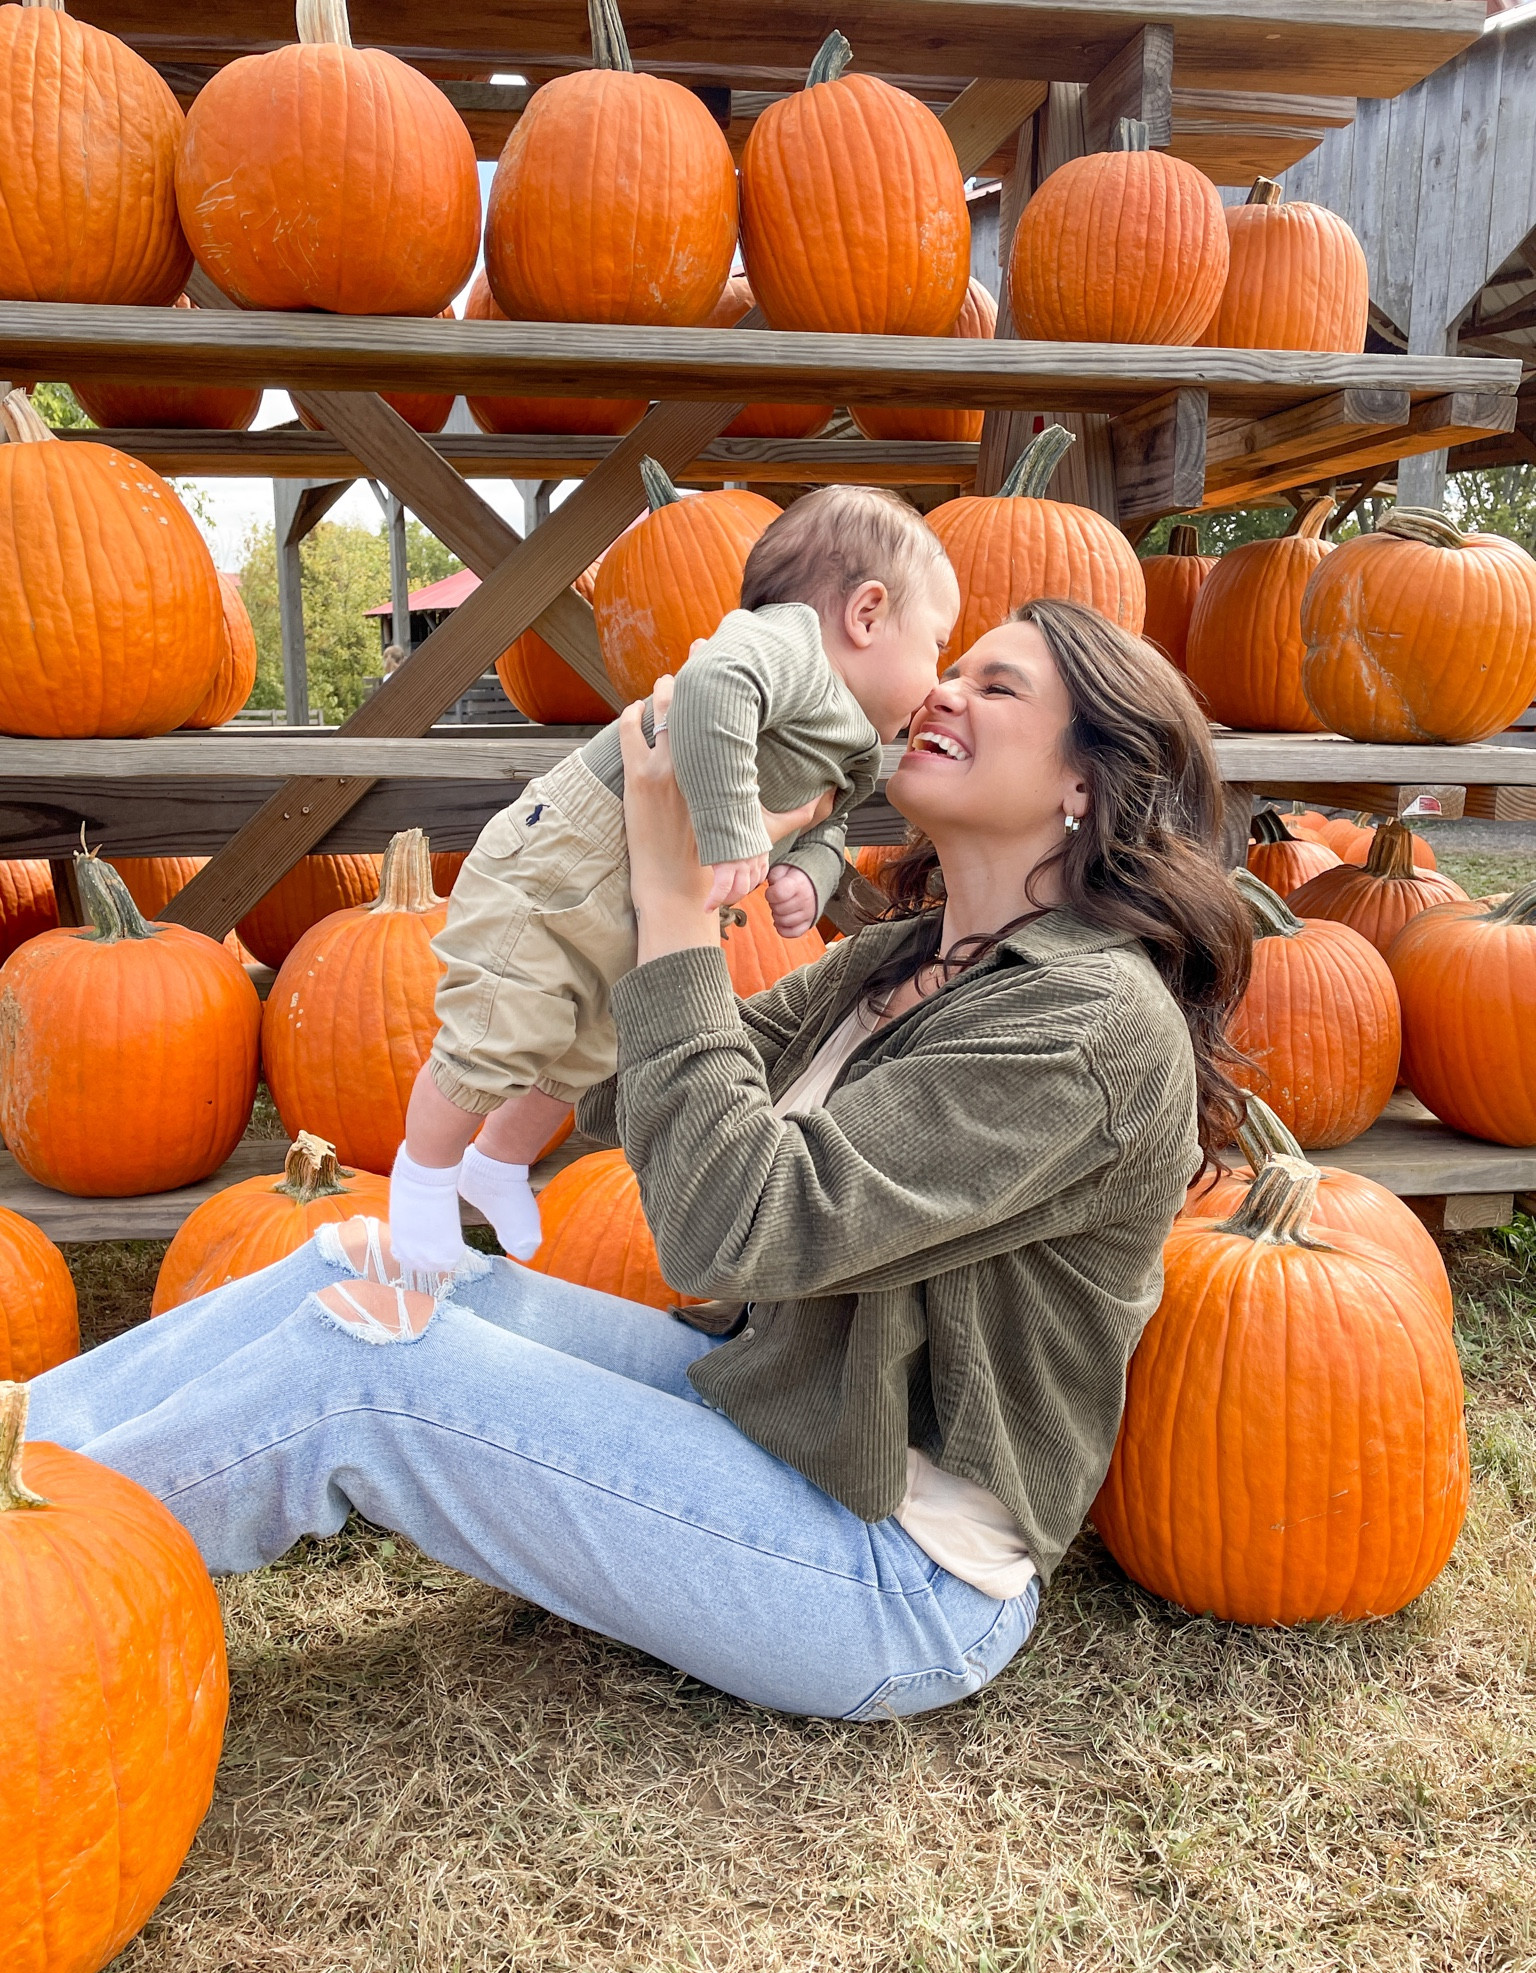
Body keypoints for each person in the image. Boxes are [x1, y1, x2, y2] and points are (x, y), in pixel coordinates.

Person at [26, 600, 1252, 1722]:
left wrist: (676, 906)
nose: (941, 690)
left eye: (998, 687)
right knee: (358, 1266)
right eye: (954, 667)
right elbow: (637, 1083)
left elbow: (736, 1223)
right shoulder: (911, 955)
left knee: (370, 1372)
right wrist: (652, 845)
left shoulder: (1088, 1024)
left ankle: (32, 1564)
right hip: (778, 1420)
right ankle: (22, 1448)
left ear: (1086, 783)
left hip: (897, 1568)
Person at [388, 485, 959, 1272]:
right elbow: (714, 689)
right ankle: (419, 1185)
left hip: (647, 886)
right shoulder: (787, 644)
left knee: (587, 1049)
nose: (937, 683)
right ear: (865, 615)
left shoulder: (854, 739)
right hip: (569, 859)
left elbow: (830, 818)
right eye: (934, 644)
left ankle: (495, 1164)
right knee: (498, 1030)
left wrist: (810, 874)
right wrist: (733, 834)